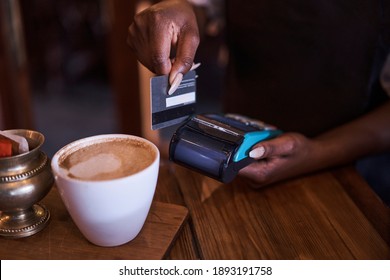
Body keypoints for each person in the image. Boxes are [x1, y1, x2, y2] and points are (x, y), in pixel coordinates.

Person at [127, 0, 390, 203]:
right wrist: (181, 8)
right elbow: (205, 7)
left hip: (355, 170)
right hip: (239, 156)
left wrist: (317, 151)